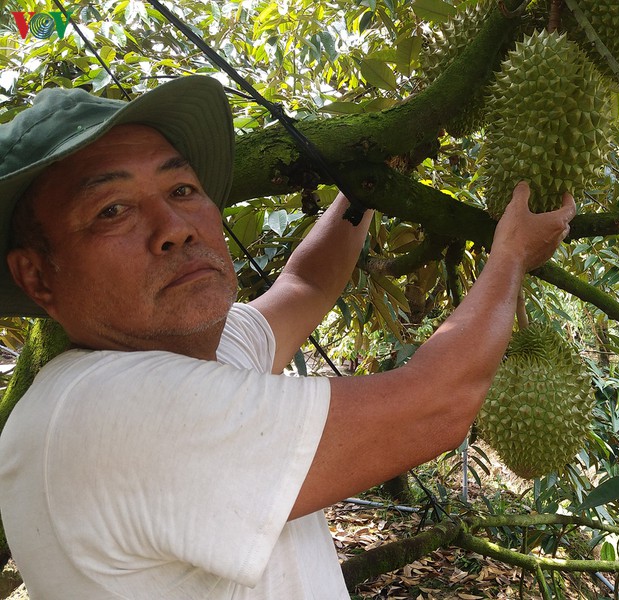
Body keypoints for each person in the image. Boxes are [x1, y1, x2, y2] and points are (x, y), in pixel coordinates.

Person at [0, 76, 575, 599]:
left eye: (181, 190)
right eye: (113, 209)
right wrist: (512, 257)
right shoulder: (109, 413)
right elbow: (434, 405)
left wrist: (364, 191)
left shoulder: (199, 354)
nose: (174, 228)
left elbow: (305, 284)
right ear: (36, 274)